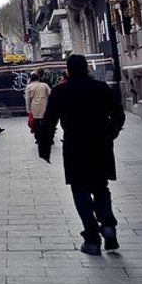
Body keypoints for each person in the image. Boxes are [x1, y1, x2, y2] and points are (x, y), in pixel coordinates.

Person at [37, 54, 126, 255]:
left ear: (68, 70)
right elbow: (118, 114)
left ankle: (93, 239)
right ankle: (108, 225)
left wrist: (45, 148)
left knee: (80, 189)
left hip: (75, 146)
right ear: (87, 68)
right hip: (100, 144)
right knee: (101, 186)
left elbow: (49, 121)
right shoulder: (101, 88)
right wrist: (112, 132)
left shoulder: (61, 91)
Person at [24, 70, 52, 134]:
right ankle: (46, 136)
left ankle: (38, 137)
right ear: (38, 78)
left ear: (31, 79)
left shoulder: (28, 87)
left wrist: (28, 110)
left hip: (34, 108)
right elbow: (51, 95)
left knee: (36, 123)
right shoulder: (44, 85)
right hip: (45, 107)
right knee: (45, 123)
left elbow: (27, 99)